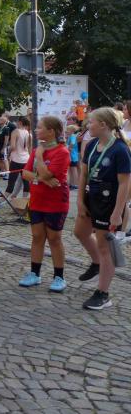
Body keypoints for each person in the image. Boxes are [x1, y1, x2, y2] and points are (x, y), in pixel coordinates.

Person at [74, 107, 131, 310]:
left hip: (109, 203)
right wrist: (80, 200)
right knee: (80, 232)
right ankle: (97, 263)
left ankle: (103, 294)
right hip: (91, 197)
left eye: (91, 122)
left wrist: (117, 213)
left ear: (103, 125)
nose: (88, 125)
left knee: (105, 248)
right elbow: (83, 174)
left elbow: (124, 184)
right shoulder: (91, 145)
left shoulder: (120, 150)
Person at [18, 116, 70, 292]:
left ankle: (59, 276)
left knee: (54, 239)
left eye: (39, 127)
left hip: (55, 202)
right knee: (37, 236)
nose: (36, 130)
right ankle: (35, 273)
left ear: (51, 131)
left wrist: (40, 158)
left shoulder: (62, 152)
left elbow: (47, 173)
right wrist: (43, 180)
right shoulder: (36, 150)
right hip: (37, 201)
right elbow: (25, 173)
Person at [6, 116, 31, 199]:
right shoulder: (27, 132)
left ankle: (4, 198)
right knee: (26, 181)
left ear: (20, 122)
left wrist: (8, 152)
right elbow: (29, 148)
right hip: (26, 159)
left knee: (12, 180)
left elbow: (13, 146)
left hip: (16, 159)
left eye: (17, 121)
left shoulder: (15, 132)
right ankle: (24, 200)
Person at [0, 114, 16, 178]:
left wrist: (3, 148)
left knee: (5, 159)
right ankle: (2, 172)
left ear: (3, 121)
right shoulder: (0, 128)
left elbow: (6, 139)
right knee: (0, 159)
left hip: (2, 147)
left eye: (0, 119)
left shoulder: (6, 128)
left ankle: (8, 173)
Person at [66, 124, 80, 189]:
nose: (66, 131)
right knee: (71, 170)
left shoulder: (73, 136)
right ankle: (72, 183)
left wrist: (69, 148)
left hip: (73, 156)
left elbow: (73, 143)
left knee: (73, 169)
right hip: (72, 155)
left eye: (68, 130)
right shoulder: (71, 136)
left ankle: (74, 184)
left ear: (72, 131)